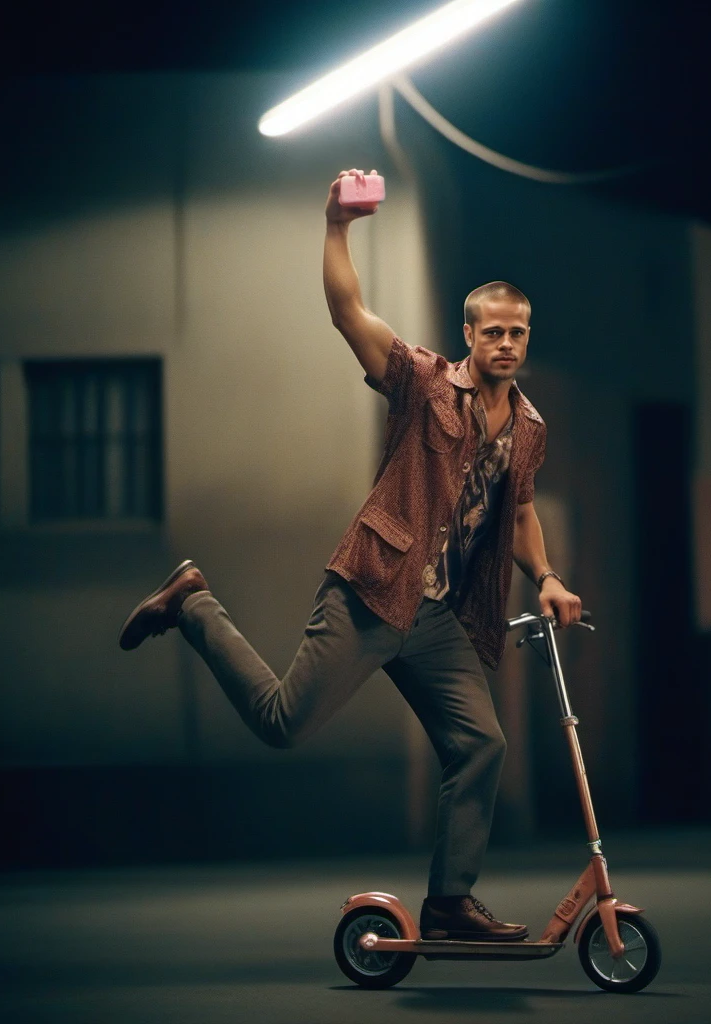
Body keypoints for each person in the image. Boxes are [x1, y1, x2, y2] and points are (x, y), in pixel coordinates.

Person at [118, 168, 583, 942]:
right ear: (469, 334)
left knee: (482, 744)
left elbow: (522, 510)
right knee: (282, 723)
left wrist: (551, 577)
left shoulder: (529, 426)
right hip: (374, 588)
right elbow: (347, 312)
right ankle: (193, 602)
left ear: (528, 337)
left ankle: (447, 905)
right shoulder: (426, 382)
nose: (506, 342)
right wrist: (336, 226)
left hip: (437, 616)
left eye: (518, 331)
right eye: (492, 330)